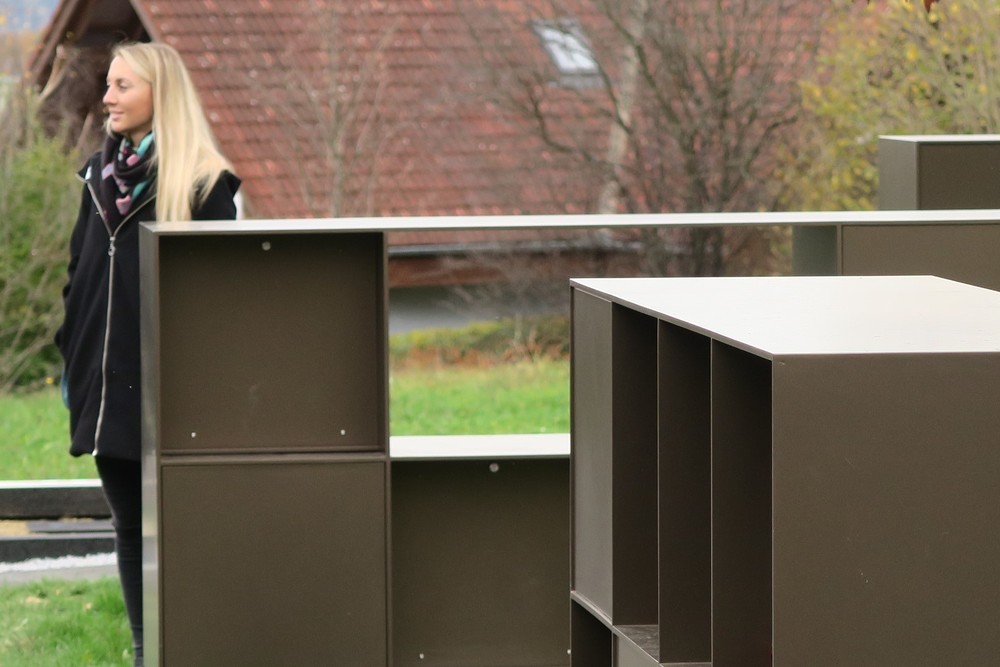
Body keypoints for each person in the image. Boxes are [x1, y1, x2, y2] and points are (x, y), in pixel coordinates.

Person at [55, 41, 240, 667]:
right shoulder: (96, 177)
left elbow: (224, 302)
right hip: (105, 390)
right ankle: (146, 654)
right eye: (109, 84)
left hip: (176, 393)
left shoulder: (205, 184)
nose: (107, 97)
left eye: (122, 86)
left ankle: (199, 648)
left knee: (188, 530)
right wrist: (72, 355)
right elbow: (78, 274)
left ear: (161, 93)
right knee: (130, 528)